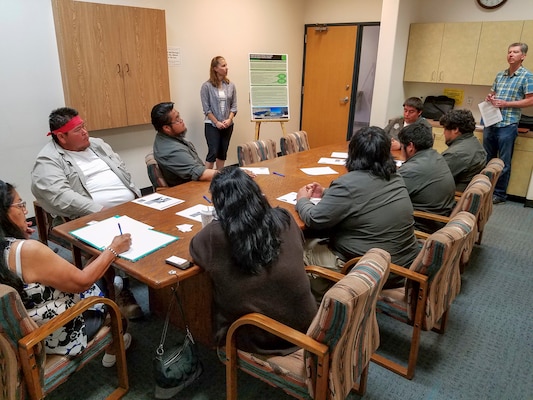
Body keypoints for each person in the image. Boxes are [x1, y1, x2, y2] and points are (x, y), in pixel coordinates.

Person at [0, 180, 131, 366]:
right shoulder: (27, 251)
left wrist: (19, 238)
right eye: (20, 205)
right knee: (102, 282)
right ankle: (115, 345)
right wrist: (114, 249)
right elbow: (83, 282)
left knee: (93, 264)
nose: (25, 210)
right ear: (3, 212)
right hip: (52, 333)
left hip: (13, 336)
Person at [30, 107, 143, 320]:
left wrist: (133, 198)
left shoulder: (98, 144)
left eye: (84, 126)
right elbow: (58, 195)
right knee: (112, 242)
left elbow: (122, 172)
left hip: (131, 207)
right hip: (91, 217)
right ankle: (117, 289)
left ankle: (148, 283)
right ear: (61, 136)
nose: (85, 132)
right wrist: (99, 210)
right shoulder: (48, 159)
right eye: (78, 130)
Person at [189, 167, 317, 355]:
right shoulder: (285, 218)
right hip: (307, 323)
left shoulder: (213, 236)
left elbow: (195, 250)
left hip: (263, 337)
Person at [296, 126, 420, 297]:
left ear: (353, 152)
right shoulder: (395, 177)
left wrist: (302, 199)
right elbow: (365, 196)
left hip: (365, 271)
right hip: (401, 265)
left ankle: (320, 303)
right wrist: (326, 193)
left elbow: (314, 219)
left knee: (293, 248)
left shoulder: (348, 184)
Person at [483, 42, 533, 204]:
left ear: (523, 56)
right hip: (492, 122)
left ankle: (499, 194)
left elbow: (530, 100)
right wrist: (490, 98)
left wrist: (506, 104)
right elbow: (491, 94)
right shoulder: (500, 75)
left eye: (515, 52)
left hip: (508, 125)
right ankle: (484, 189)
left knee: (503, 163)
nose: (511, 54)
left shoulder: (527, 76)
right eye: (509, 52)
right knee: (487, 159)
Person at [397, 122, 456, 232]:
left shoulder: (412, 170)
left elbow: (386, 196)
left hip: (422, 224)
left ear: (410, 146)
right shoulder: (437, 157)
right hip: (438, 217)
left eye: (401, 147)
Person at [151, 102, 219, 186]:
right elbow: (201, 174)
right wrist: (231, 175)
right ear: (166, 128)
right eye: (177, 119)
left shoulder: (166, 138)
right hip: (192, 191)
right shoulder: (171, 150)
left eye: (179, 116)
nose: (181, 121)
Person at [200, 56, 237, 170]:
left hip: (227, 124)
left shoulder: (231, 85)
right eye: (223, 66)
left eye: (226, 65)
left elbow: (234, 106)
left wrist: (229, 119)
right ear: (215, 68)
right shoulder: (206, 86)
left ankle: (220, 177)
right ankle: (206, 180)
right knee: (213, 152)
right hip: (212, 124)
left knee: (222, 151)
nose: (227, 68)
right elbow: (206, 109)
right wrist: (216, 122)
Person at [440, 109, 487, 192]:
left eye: (445, 129)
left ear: (455, 130)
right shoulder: (474, 142)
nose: (444, 133)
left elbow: (434, 181)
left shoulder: (455, 154)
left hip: (452, 196)